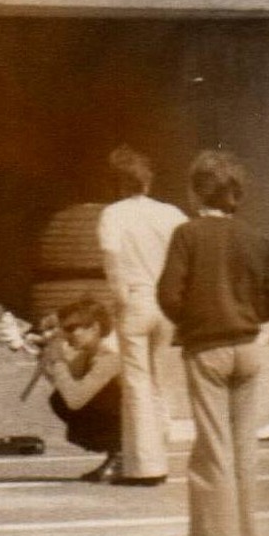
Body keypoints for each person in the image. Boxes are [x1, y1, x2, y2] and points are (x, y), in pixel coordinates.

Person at [157, 150, 269, 536]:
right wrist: (247, 317)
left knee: (212, 453)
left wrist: (196, 321)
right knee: (242, 451)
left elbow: (168, 296)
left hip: (207, 350)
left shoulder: (187, 235)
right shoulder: (256, 238)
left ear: (197, 191)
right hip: (248, 349)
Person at [97, 145, 187, 486]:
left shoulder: (113, 215)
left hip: (135, 298)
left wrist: (121, 303)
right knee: (160, 380)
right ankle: (161, 451)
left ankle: (144, 466)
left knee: (136, 382)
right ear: (147, 182)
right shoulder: (172, 214)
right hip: (165, 303)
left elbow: (113, 265)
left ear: (118, 184)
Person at [40, 297, 124, 483]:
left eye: (71, 328)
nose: (66, 335)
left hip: (138, 421)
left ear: (94, 328)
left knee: (91, 397)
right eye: (64, 329)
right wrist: (44, 352)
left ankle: (122, 454)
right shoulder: (89, 354)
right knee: (58, 398)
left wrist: (58, 361)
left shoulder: (109, 355)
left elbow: (75, 399)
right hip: (127, 418)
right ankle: (115, 453)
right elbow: (62, 382)